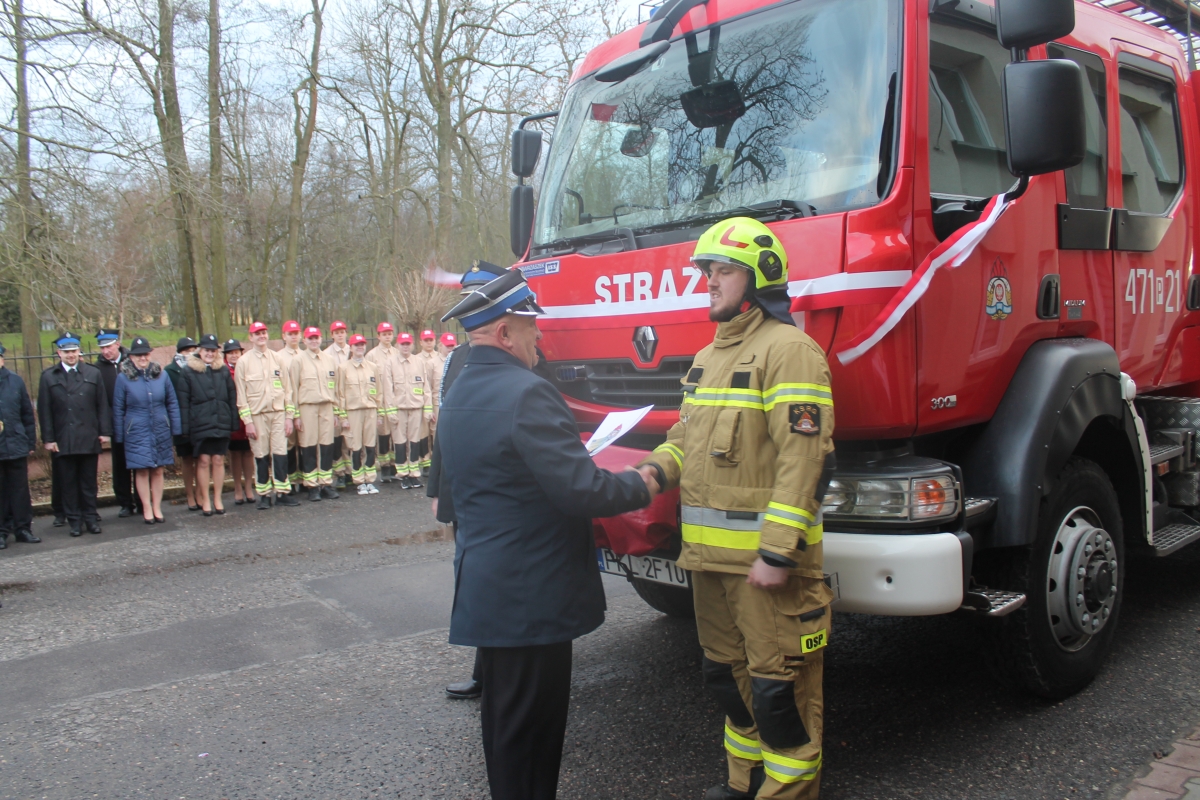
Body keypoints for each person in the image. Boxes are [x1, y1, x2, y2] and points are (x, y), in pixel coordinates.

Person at [634, 218, 836, 800]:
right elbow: (684, 438)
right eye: (707, 272)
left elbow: (805, 461)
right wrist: (651, 473)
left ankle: (787, 791)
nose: (709, 283)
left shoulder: (790, 352)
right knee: (728, 682)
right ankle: (741, 783)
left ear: (758, 278)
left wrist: (778, 551)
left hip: (764, 570)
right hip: (710, 564)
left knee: (781, 699)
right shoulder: (708, 356)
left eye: (721, 272)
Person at [438, 268, 657, 800]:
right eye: (531, 327)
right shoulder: (528, 393)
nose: (540, 338)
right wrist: (644, 481)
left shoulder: (461, 388)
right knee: (533, 739)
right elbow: (582, 492)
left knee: (507, 733)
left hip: (491, 588)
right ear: (506, 333)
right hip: (532, 596)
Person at [433, 258, 506, 701]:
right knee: (471, 578)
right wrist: (438, 491)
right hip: (464, 492)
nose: (466, 309)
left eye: (475, 300)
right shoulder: (456, 357)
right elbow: (446, 426)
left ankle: (499, 671)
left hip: (497, 490)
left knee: (497, 579)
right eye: (464, 301)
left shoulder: (517, 352)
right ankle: (483, 670)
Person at [38, 333, 111, 536]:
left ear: (80, 352)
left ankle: (90, 518)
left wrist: (104, 432)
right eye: (66, 352)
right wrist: (49, 439)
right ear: (59, 353)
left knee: (88, 483)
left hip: (88, 436)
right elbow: (45, 411)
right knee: (68, 484)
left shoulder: (93, 373)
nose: (71, 355)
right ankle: (75, 522)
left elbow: (101, 405)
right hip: (63, 438)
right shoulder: (48, 376)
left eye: (74, 351)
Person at [114, 337, 182, 526]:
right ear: (132, 357)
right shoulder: (123, 378)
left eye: (145, 354)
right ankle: (146, 507)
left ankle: (157, 507)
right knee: (142, 470)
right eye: (138, 355)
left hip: (160, 426)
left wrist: (175, 428)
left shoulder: (161, 375)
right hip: (136, 429)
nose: (142, 358)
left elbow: (172, 402)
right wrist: (120, 434)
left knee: (158, 469)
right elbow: (118, 408)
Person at [235, 321, 298, 510]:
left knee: (280, 453)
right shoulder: (243, 362)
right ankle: (263, 495)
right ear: (251, 337)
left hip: (278, 414)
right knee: (260, 455)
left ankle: (282, 492)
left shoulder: (277, 359)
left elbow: (288, 391)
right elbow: (241, 395)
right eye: (257, 333)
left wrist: (289, 417)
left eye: (264, 332)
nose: (261, 336)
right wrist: (248, 422)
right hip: (257, 416)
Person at [178, 334, 238, 516]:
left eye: (213, 350)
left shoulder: (223, 371)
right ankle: (205, 499)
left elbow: (231, 397)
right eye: (206, 350)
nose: (210, 354)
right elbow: (184, 401)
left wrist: (233, 421)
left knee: (218, 460)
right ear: (200, 351)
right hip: (200, 422)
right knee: (203, 461)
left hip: (221, 420)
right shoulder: (188, 371)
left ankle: (218, 498)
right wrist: (185, 428)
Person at [291, 326, 340, 502]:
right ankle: (312, 485)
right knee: (309, 446)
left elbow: (336, 387)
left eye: (316, 338)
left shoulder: (329, 360)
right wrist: (296, 414)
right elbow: (293, 389)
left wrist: (336, 411)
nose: (314, 341)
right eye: (310, 338)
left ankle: (326, 483)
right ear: (304, 340)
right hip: (307, 407)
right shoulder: (298, 361)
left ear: (321, 339)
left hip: (326, 406)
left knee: (327, 446)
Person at [94, 328, 139, 518]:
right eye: (103, 348)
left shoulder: (132, 362)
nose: (106, 351)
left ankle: (141, 500)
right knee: (120, 465)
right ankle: (125, 502)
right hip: (115, 422)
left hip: (135, 420)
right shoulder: (97, 369)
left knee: (139, 462)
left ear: (117, 344)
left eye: (109, 346)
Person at [0, 343, 39, 548]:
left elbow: (27, 414)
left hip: (15, 443)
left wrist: (30, 441)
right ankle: (1, 531)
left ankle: (23, 528)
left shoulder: (15, 381)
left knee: (20, 490)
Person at [336, 333, 382, 495]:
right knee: (355, 447)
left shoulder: (373, 367)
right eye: (356, 345)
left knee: (370, 446)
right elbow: (340, 394)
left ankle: (370, 479)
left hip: (370, 410)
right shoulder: (343, 368)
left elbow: (379, 392)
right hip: (353, 412)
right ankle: (359, 480)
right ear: (351, 347)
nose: (360, 347)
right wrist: (343, 417)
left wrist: (380, 414)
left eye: (362, 344)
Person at [386, 332, 431, 489]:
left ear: (412, 345)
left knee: (414, 441)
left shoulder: (419, 362)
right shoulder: (390, 362)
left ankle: (414, 474)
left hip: (416, 408)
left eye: (408, 344)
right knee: (400, 442)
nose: (405, 346)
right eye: (402, 344)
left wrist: (427, 409)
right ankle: (403, 474)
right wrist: (390, 411)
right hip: (399, 409)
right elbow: (388, 389)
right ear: (397, 345)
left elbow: (426, 387)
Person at [166, 336, 201, 510]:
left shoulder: (199, 368)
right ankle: (190, 495)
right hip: (180, 421)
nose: (190, 353)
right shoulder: (169, 371)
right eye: (186, 350)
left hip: (199, 420)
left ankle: (201, 493)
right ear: (179, 352)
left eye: (192, 350)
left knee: (201, 458)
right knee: (187, 459)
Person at [223, 339, 256, 505]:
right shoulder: (222, 370)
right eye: (230, 352)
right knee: (235, 454)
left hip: (249, 414)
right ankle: (237, 488)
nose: (234, 355)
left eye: (236, 352)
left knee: (249, 452)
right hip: (233, 415)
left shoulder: (248, 367)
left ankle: (249, 486)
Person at [366, 322, 397, 482]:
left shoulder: (397, 353)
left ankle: (394, 465)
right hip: (380, 399)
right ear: (378, 336)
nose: (387, 336)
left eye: (389, 333)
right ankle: (384, 467)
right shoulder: (371, 355)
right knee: (383, 435)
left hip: (395, 399)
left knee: (395, 435)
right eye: (384, 334)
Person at [276, 320, 305, 494]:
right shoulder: (279, 357)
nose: (294, 337)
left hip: (304, 406)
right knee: (289, 444)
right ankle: (291, 478)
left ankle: (303, 479)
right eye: (290, 334)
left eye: (296, 333)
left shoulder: (305, 354)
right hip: (288, 406)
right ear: (284, 336)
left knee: (305, 444)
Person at [324, 321, 353, 488]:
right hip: (336, 400)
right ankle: (340, 473)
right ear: (332, 335)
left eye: (342, 331)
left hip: (352, 401)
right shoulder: (327, 354)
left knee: (350, 440)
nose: (340, 334)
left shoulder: (352, 350)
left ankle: (351, 472)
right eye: (337, 332)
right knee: (337, 440)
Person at [416, 329, 443, 475]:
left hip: (435, 401)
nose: (428, 343)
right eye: (425, 340)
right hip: (422, 401)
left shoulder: (440, 358)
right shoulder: (416, 359)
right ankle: (425, 461)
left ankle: (435, 461)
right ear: (420, 342)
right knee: (423, 433)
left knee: (435, 433)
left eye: (431, 340)